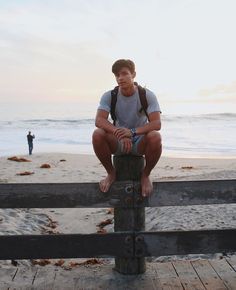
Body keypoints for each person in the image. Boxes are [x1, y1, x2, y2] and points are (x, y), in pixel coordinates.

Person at [92, 59, 162, 197]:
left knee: (155, 136)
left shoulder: (146, 95)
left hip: (139, 142)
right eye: (117, 75)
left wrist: (132, 132)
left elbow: (156, 124)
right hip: (118, 141)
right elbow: (99, 120)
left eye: (124, 74)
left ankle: (145, 175)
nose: (120, 78)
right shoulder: (109, 96)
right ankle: (111, 173)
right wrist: (120, 134)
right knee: (97, 134)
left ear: (133, 74)